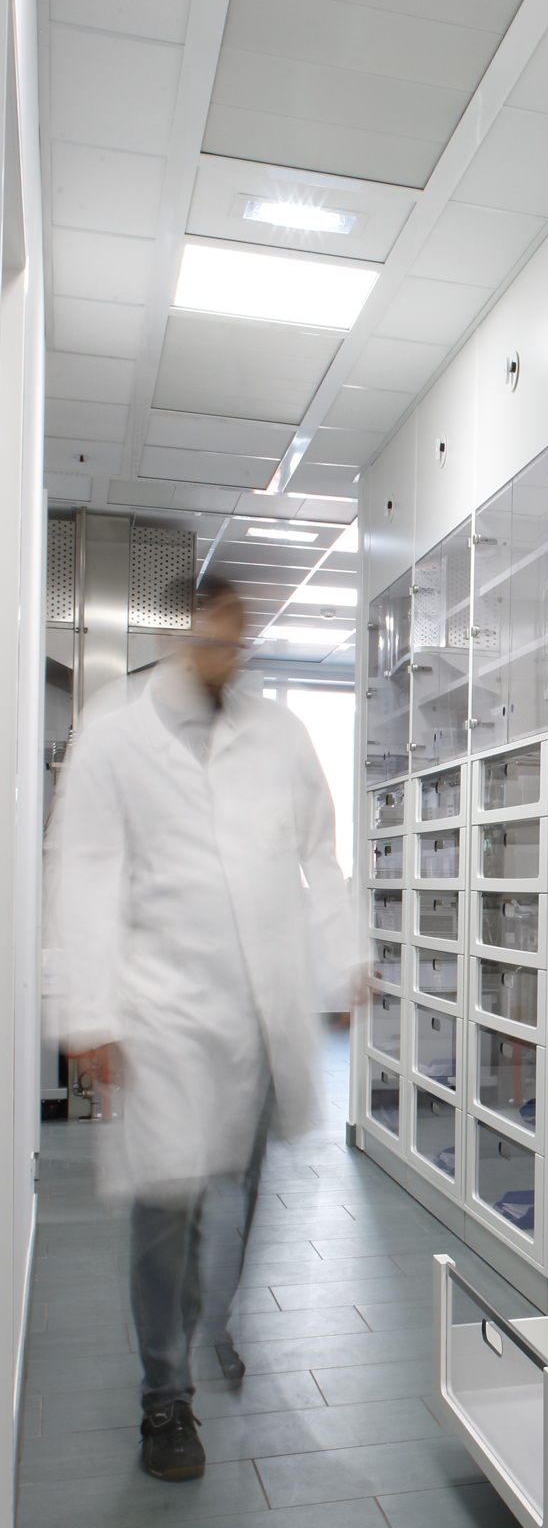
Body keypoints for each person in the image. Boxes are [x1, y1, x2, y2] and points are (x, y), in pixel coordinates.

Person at [51, 576, 359, 1481]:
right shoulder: (117, 730)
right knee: (167, 1203)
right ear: (181, 640)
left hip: (258, 1012)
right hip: (162, 1011)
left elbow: (320, 852)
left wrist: (343, 956)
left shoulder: (281, 734)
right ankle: (165, 1397)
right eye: (214, 641)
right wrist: (88, 1008)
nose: (228, 657)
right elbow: (82, 869)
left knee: (240, 1189)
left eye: (239, 641)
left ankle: (211, 1320)